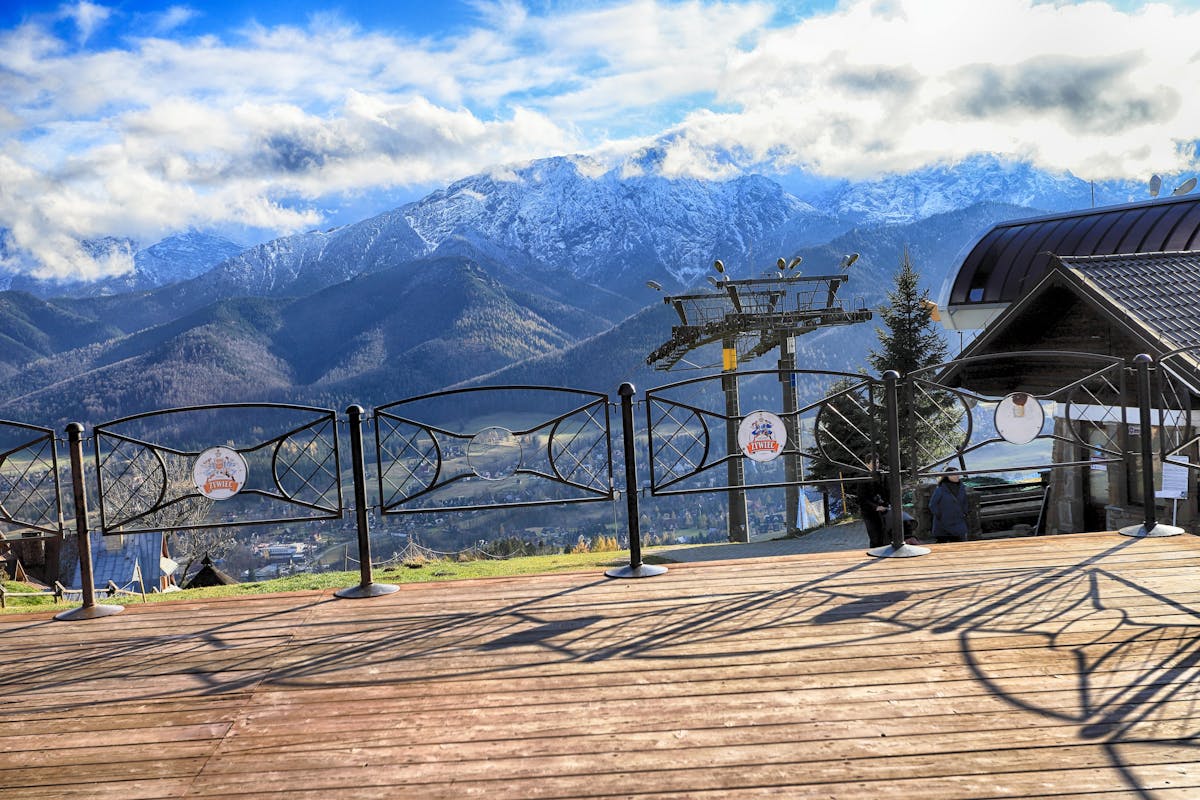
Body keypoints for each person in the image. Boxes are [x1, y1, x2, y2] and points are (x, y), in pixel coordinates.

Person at [852, 462, 891, 548]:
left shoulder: (882, 475)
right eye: (873, 463)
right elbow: (862, 498)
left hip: (883, 510)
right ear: (867, 464)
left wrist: (887, 504)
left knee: (884, 536)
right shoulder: (863, 477)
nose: (876, 464)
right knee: (875, 537)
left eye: (877, 462)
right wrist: (876, 507)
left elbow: (887, 491)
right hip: (869, 512)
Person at [929, 468, 970, 543]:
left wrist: (965, 512)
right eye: (954, 474)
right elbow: (932, 504)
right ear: (947, 476)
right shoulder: (940, 489)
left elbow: (965, 502)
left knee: (961, 545)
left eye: (958, 474)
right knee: (942, 547)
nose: (957, 476)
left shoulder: (962, 488)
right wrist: (939, 515)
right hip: (943, 523)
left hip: (958, 522)